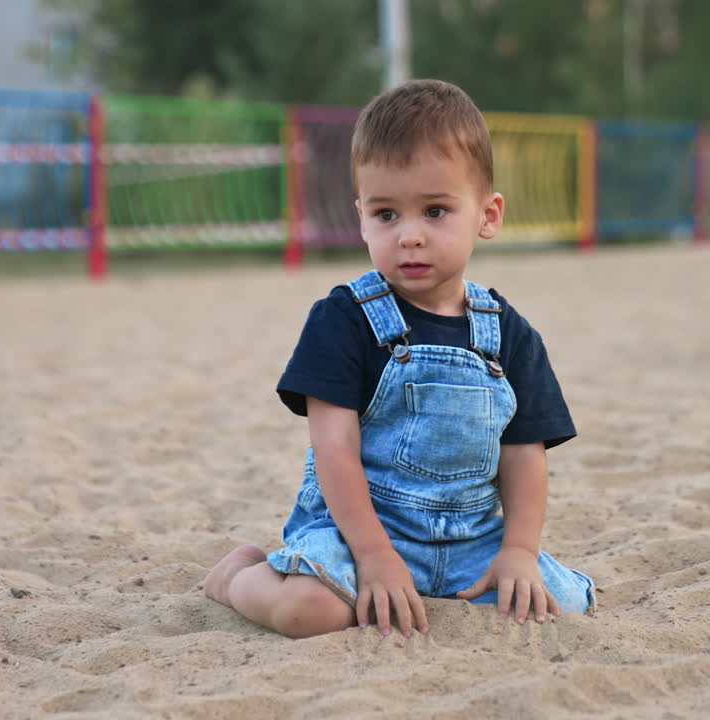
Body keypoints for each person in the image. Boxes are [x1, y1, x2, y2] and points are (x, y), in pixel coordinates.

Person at [202, 79, 596, 639]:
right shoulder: (343, 320)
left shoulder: (511, 336)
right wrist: (375, 555)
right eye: (387, 215)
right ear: (361, 217)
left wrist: (518, 551)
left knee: (559, 603)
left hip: (469, 539)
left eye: (435, 211)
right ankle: (236, 578)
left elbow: (524, 458)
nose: (409, 236)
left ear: (488, 214)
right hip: (359, 528)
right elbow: (333, 450)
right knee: (311, 612)